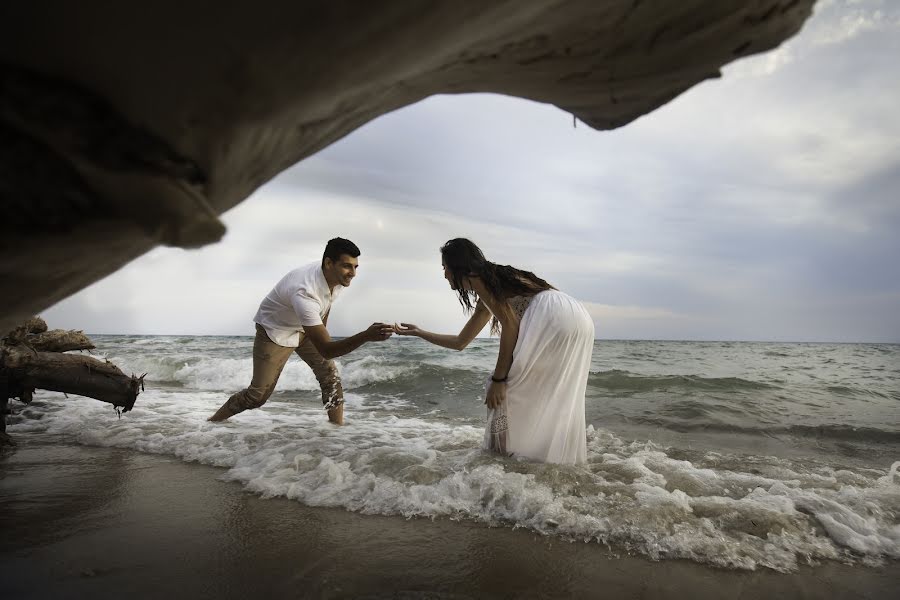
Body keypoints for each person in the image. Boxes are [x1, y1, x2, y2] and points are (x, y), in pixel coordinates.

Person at [394, 238, 594, 464]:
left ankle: (501, 457)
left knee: (502, 392)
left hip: (551, 317)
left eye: (445, 268)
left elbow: (510, 325)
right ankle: (540, 458)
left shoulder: (479, 278)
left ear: (458, 266)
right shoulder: (496, 282)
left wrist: (499, 380)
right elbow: (461, 342)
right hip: (576, 315)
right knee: (541, 391)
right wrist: (419, 332)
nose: (444, 275)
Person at [208, 237, 393, 425]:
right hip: (275, 331)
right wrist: (366, 336)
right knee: (257, 396)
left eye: (355, 267)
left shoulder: (335, 277)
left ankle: (337, 431)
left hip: (305, 328)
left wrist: (321, 333)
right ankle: (212, 423)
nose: (352, 273)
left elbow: (326, 304)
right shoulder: (305, 292)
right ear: (329, 263)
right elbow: (326, 350)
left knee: (330, 376)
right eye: (347, 266)